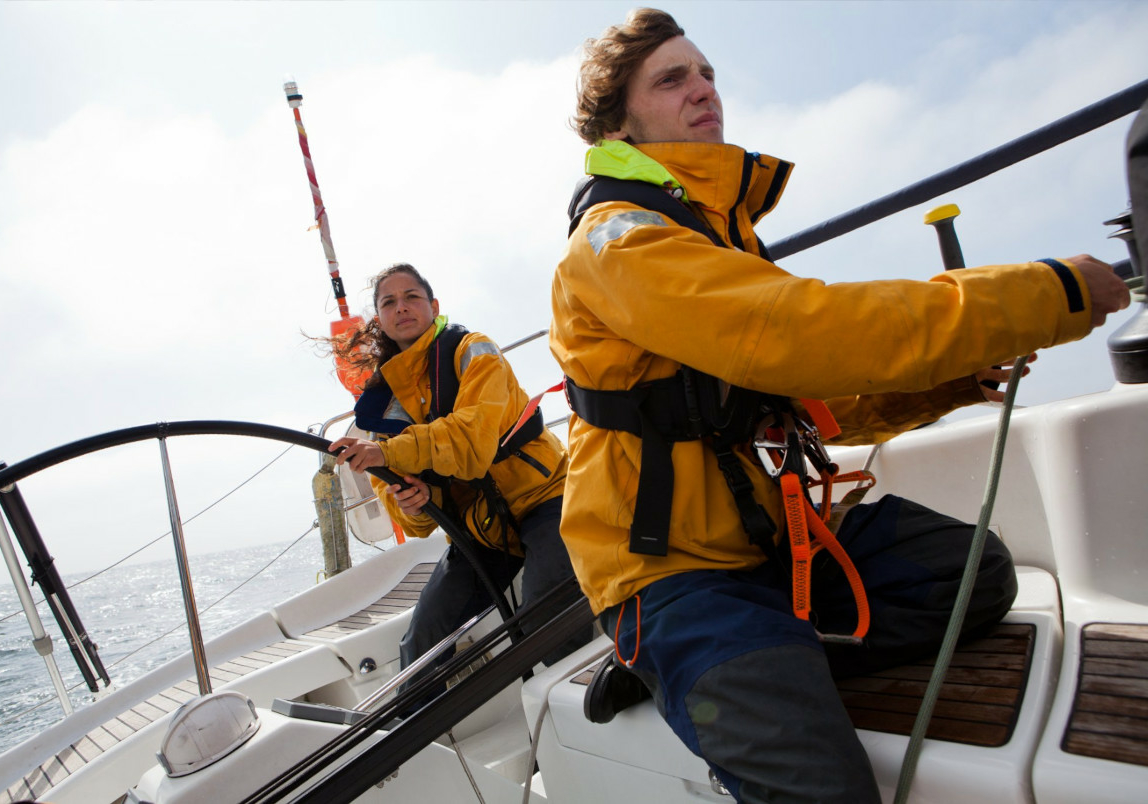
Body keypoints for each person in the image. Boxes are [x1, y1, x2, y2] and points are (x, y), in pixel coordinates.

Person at [549, 9, 1131, 803]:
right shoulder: (618, 241)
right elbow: (795, 331)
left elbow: (799, 396)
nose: (703, 89)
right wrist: (1047, 293)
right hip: (672, 575)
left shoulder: (719, 237)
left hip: (767, 549)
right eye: (673, 78)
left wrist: (942, 383)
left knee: (973, 575)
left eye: (707, 72)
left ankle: (747, 661)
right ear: (622, 117)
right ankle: (691, 660)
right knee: (821, 790)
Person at [329, 263, 589, 704]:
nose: (402, 307)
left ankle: (597, 705)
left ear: (433, 307)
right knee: (422, 641)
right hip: (482, 528)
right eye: (388, 302)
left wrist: (389, 454)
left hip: (544, 497)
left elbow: (473, 438)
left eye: (411, 296)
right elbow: (416, 527)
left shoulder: (474, 351)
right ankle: (411, 741)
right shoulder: (381, 406)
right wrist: (414, 502)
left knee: (544, 614)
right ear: (380, 320)